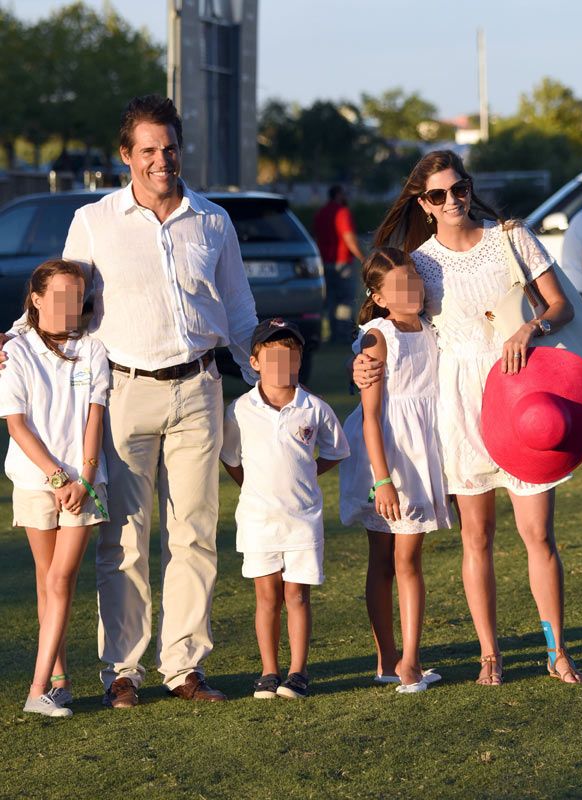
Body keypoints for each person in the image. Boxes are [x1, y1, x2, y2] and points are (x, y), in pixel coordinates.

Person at [2, 95, 258, 707]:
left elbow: (241, 310)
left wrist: (266, 378)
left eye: (169, 148)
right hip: (122, 391)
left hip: (199, 386)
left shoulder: (213, 220)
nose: (161, 160)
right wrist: (13, 337)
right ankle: (123, 671)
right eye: (148, 150)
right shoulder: (95, 221)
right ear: (127, 156)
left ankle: (185, 667)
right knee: (125, 536)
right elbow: (62, 297)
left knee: (195, 533)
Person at [353, 150, 582, 685]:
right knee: (475, 538)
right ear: (423, 203)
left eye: (459, 188)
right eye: (438, 194)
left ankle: (556, 650)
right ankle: (490, 656)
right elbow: (389, 322)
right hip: (459, 405)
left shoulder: (512, 236)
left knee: (539, 534)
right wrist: (363, 360)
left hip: (524, 395)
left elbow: (560, 307)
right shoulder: (421, 262)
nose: (453, 200)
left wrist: (531, 329)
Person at [0, 259, 109, 717]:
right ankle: (58, 679)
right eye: (60, 294)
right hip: (35, 480)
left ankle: (37, 687)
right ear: (37, 298)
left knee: (62, 579)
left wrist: (82, 478)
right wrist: (56, 477)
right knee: (49, 582)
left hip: (83, 484)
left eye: (77, 294)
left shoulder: (93, 350)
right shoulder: (15, 351)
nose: (70, 304)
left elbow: (94, 417)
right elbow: (17, 424)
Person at [339, 249, 451, 692]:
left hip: (421, 453)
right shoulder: (376, 336)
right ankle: (393, 660)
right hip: (383, 457)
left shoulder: (430, 329)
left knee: (408, 557)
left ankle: (409, 658)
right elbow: (370, 416)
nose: (413, 292)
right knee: (384, 559)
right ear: (380, 298)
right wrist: (382, 480)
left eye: (415, 282)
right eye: (400, 287)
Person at [220, 318, 349, 699]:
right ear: (255, 361)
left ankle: (297, 672)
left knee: (297, 596)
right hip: (258, 520)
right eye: (272, 357)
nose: (281, 365)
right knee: (267, 596)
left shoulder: (314, 408)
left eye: (290, 357)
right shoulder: (239, 410)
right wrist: (253, 487)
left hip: (302, 520)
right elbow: (231, 458)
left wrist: (307, 474)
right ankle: (269, 671)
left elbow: (336, 450)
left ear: (299, 362)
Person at [314, 185, 364, 343]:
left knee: (330, 301)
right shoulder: (342, 212)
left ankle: (333, 335)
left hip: (325, 263)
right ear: (338, 195)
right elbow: (348, 237)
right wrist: (363, 258)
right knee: (345, 300)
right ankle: (342, 336)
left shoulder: (320, 213)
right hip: (342, 263)